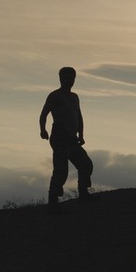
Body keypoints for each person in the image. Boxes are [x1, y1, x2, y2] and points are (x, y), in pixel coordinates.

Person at [39, 67, 94, 212]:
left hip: (72, 139)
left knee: (86, 164)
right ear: (61, 78)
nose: (70, 80)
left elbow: (79, 117)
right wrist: (43, 130)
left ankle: (83, 194)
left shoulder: (75, 97)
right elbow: (44, 114)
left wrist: (81, 135)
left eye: (72, 77)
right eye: (67, 77)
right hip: (59, 137)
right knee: (61, 171)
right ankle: (53, 201)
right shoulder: (54, 96)